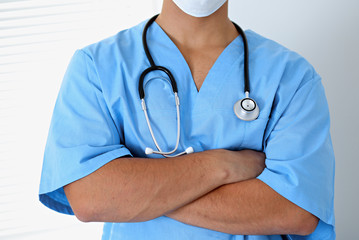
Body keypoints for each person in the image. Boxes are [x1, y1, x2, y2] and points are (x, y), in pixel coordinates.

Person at [39, 0, 335, 239]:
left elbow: (295, 209)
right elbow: (91, 197)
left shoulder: (291, 77)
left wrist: (136, 194)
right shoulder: (97, 67)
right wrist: (222, 166)